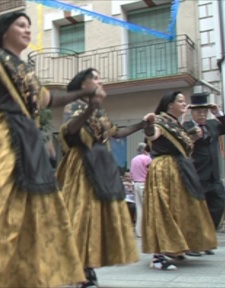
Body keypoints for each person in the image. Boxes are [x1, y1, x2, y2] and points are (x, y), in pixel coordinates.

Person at [0, 12, 104, 288]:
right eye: (21, 25)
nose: (27, 31)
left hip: (29, 141)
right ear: (4, 31)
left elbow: (49, 99)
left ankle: (16, 269)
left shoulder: (27, 70)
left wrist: (84, 94)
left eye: (29, 27)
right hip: (2, 140)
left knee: (30, 207)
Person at [56, 68, 141, 287]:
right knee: (82, 216)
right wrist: (91, 107)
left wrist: (143, 124)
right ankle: (78, 269)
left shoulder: (100, 111)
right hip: (82, 164)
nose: (99, 80)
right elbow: (70, 130)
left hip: (102, 164)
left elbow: (116, 133)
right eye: (93, 78)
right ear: (82, 85)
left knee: (96, 218)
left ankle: (87, 267)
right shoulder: (73, 106)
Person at [143, 91, 217, 270]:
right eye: (181, 101)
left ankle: (175, 248)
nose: (184, 104)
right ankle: (158, 256)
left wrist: (192, 137)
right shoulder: (161, 120)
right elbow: (153, 135)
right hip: (165, 169)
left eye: (184, 101)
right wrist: (148, 125)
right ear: (170, 104)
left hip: (180, 169)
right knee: (164, 210)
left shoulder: (176, 124)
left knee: (181, 208)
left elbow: (180, 147)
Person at [182, 92, 225, 256]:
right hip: (197, 177)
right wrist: (193, 137)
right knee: (196, 213)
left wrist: (218, 113)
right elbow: (181, 146)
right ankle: (192, 245)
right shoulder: (185, 127)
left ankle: (205, 240)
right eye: (199, 112)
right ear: (193, 112)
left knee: (217, 207)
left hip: (214, 176)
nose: (203, 114)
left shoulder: (213, 124)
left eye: (205, 111)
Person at [130, 142, 151, 238]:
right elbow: (151, 171)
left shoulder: (133, 159)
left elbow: (131, 173)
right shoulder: (147, 159)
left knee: (139, 209)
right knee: (148, 209)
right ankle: (148, 231)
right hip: (144, 184)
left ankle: (139, 232)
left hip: (136, 184)